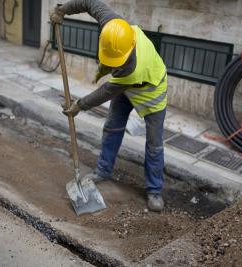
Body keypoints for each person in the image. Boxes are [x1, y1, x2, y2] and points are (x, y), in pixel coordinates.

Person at [50, 0, 167, 212]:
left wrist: (78, 105)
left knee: (154, 143)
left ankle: (154, 190)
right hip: (124, 87)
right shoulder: (113, 27)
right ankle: (103, 170)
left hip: (152, 89)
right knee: (112, 126)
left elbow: (106, 91)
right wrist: (62, 10)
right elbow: (88, 2)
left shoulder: (130, 69)